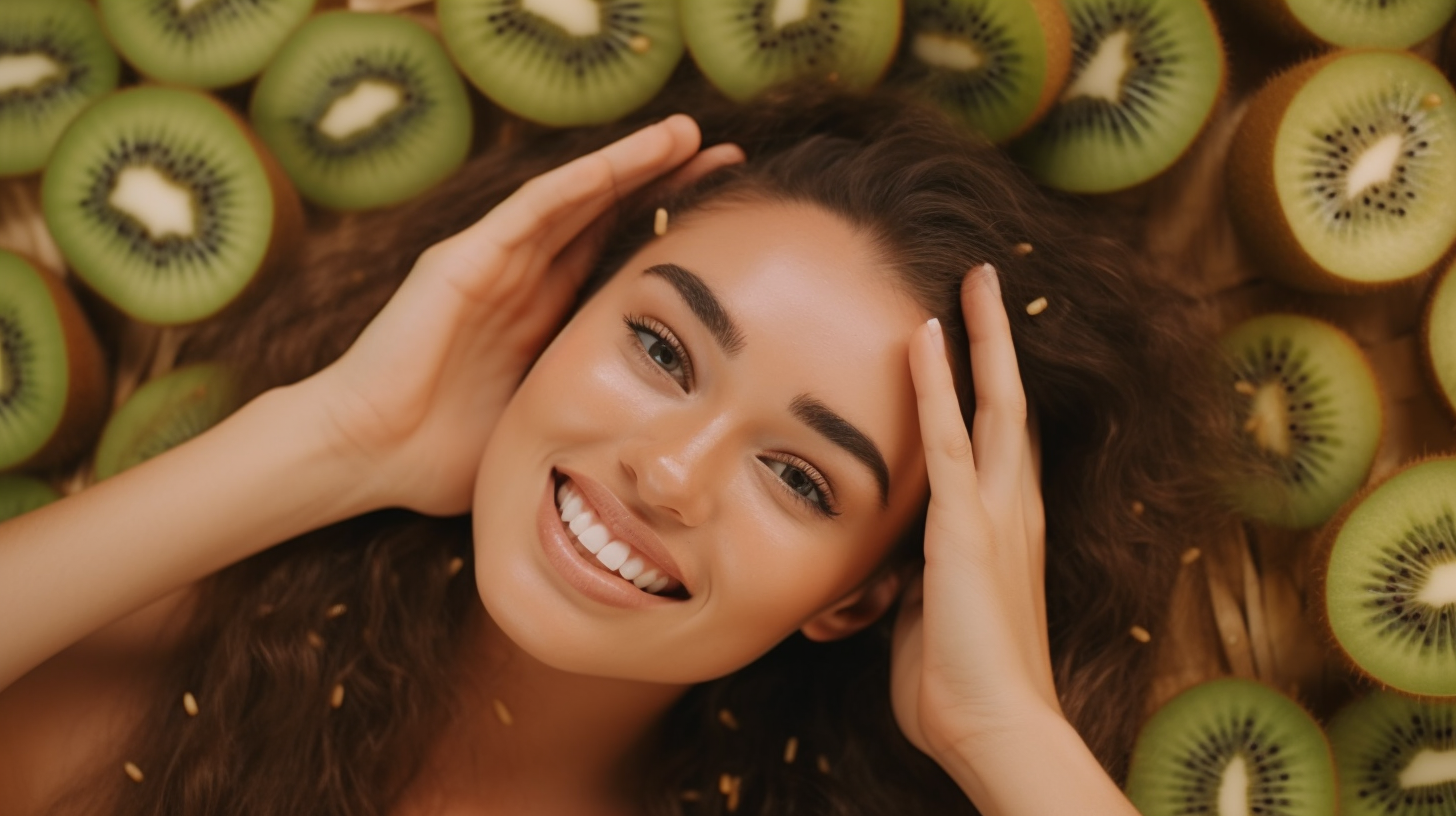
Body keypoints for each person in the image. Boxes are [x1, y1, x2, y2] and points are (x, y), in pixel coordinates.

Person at [0, 85, 1240, 815]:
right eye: (660, 350)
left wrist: (1006, 734)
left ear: (858, 593)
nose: (670, 471)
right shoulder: (185, 677)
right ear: (554, 317)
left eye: (800, 479)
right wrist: (334, 437)